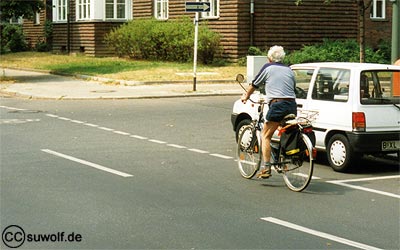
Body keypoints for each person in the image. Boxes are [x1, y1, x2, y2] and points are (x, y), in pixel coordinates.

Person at [241, 45, 297, 178]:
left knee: (265, 135)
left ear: (269, 58)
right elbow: (293, 87)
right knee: (285, 131)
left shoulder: (267, 67)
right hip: (292, 105)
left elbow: (254, 84)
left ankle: (266, 168)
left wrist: (245, 96)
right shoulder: (289, 69)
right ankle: (283, 162)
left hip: (277, 105)